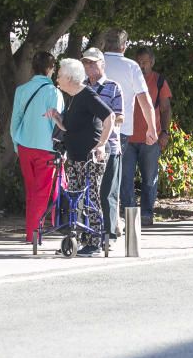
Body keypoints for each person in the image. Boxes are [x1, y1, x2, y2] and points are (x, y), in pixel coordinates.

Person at [47, 58, 114, 257]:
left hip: (91, 155)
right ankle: (77, 238)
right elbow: (68, 127)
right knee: (75, 197)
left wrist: (101, 145)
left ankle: (96, 242)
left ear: (69, 77)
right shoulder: (73, 98)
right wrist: (56, 116)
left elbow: (109, 117)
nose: (56, 78)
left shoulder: (87, 95)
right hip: (75, 156)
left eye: (59, 75)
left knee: (91, 196)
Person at [101, 30, 157, 227]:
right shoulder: (131, 67)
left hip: (94, 126)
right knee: (115, 175)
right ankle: (114, 221)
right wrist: (152, 128)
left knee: (95, 174)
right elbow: (145, 100)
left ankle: (98, 217)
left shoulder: (94, 62)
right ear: (124, 46)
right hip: (120, 128)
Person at [11, 51, 63, 242]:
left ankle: (31, 231)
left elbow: (15, 120)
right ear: (51, 69)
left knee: (31, 191)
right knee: (42, 192)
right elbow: (57, 123)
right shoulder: (54, 92)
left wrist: (17, 143)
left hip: (24, 145)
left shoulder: (21, 90)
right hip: (47, 148)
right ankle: (34, 233)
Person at [123, 45, 171, 227]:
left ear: (152, 62)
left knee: (149, 178)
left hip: (151, 139)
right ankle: (130, 214)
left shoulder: (159, 81)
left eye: (144, 62)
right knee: (125, 179)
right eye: (139, 62)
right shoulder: (129, 79)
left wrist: (164, 132)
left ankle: (146, 214)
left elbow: (166, 108)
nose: (141, 66)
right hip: (127, 137)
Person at [82, 48, 124, 246]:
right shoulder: (80, 87)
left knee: (107, 193)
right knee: (86, 192)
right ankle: (89, 233)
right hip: (84, 148)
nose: (89, 66)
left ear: (102, 64)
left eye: (93, 62)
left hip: (109, 148)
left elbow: (119, 116)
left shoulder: (113, 87)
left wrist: (105, 133)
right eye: (86, 63)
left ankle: (108, 235)